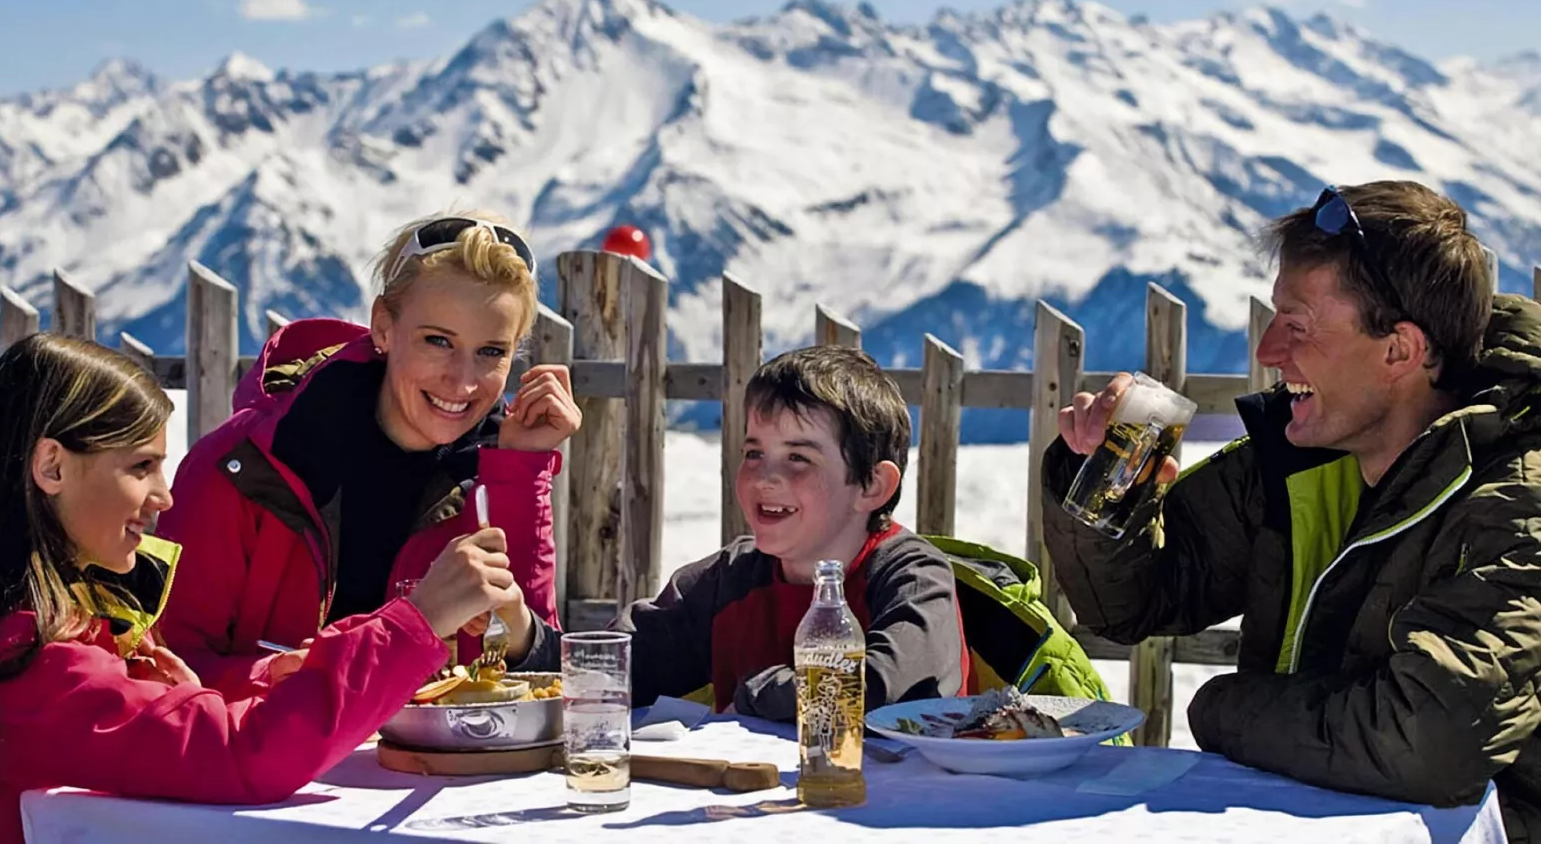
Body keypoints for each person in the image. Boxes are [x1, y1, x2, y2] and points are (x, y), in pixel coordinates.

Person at [1042, 180, 1541, 833]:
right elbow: (1131, 604)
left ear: (1401, 350)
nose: (1267, 351)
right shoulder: (1304, 456)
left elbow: (1428, 741)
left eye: (1297, 325)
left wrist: (1223, 709)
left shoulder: (1519, 495)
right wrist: (1105, 480)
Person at [0, 334, 521, 844]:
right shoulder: (23, 656)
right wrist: (415, 622)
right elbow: (244, 756)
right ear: (53, 467)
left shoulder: (8, 617)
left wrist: (268, 677)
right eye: (141, 468)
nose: (163, 497)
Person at [159, 212, 580, 694]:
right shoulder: (247, 462)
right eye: (438, 341)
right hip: (268, 761)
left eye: (491, 352)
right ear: (383, 326)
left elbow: (536, 682)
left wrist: (520, 472)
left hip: (432, 763)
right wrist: (295, 681)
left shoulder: (501, 472)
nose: (463, 382)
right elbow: (163, 668)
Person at [499, 345, 968, 720]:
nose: (766, 477)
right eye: (753, 453)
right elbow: (614, 670)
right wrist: (520, 634)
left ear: (872, 485)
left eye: (799, 458)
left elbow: (881, 689)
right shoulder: (727, 581)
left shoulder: (913, 575)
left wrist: (758, 689)